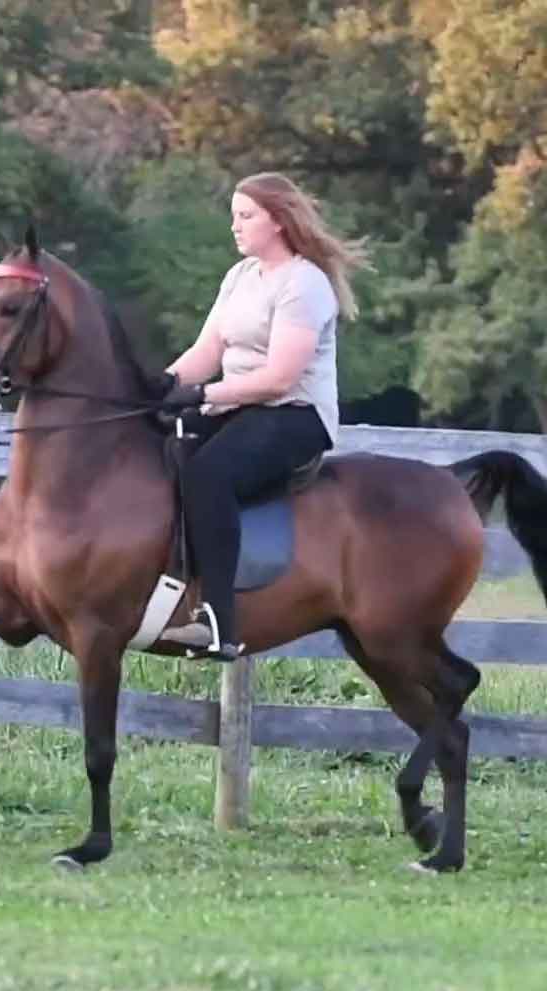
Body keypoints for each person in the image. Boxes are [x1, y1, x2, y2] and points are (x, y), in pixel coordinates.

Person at [154, 171, 371, 660]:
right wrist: (160, 387)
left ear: (277, 220)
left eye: (245, 216)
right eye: (234, 216)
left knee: (209, 473)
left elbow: (279, 378)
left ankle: (218, 624)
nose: (234, 226)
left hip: (294, 416)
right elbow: (206, 351)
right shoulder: (240, 277)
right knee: (161, 441)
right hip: (239, 408)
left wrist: (201, 394)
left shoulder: (304, 283)